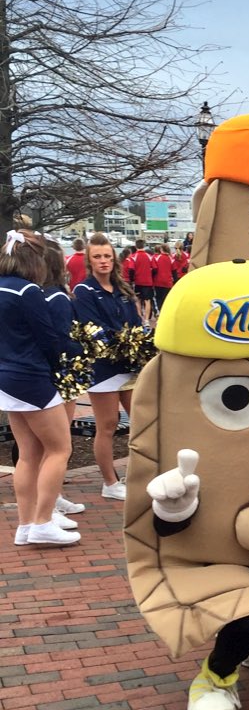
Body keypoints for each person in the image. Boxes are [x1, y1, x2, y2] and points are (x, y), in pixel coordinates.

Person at [0, 230, 79, 547]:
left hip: (6, 377)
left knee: (29, 454)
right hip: (31, 376)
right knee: (60, 449)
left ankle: (26, 524)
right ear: (34, 261)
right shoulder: (27, 290)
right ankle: (44, 521)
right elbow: (50, 339)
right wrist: (71, 351)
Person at [72, 233, 142, 500]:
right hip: (102, 368)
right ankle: (110, 483)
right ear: (89, 261)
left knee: (141, 420)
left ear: (115, 259)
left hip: (129, 365)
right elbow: (94, 328)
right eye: (97, 257)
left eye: (107, 257)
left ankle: (139, 472)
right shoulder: (84, 290)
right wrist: (124, 339)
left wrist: (140, 341)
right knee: (108, 425)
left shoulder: (122, 288)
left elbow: (135, 322)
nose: (103, 262)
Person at [40, 239, 88, 518]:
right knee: (57, 444)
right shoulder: (56, 296)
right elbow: (61, 338)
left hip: (51, 374)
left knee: (49, 445)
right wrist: (84, 346)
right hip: (62, 374)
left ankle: (54, 495)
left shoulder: (41, 293)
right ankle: (48, 503)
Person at [128, 238, 154, 325]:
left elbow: (131, 269)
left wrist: (132, 280)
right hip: (148, 281)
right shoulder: (149, 256)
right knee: (148, 301)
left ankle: (140, 318)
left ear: (136, 246)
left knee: (138, 300)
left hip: (138, 281)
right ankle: (147, 320)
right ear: (144, 246)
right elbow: (154, 268)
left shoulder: (133, 256)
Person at [152, 243, 174, 315]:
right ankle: (166, 312)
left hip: (158, 281)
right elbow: (174, 271)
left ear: (161, 250)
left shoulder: (156, 258)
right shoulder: (171, 259)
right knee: (166, 299)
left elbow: (154, 269)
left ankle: (160, 312)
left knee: (159, 298)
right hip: (168, 282)